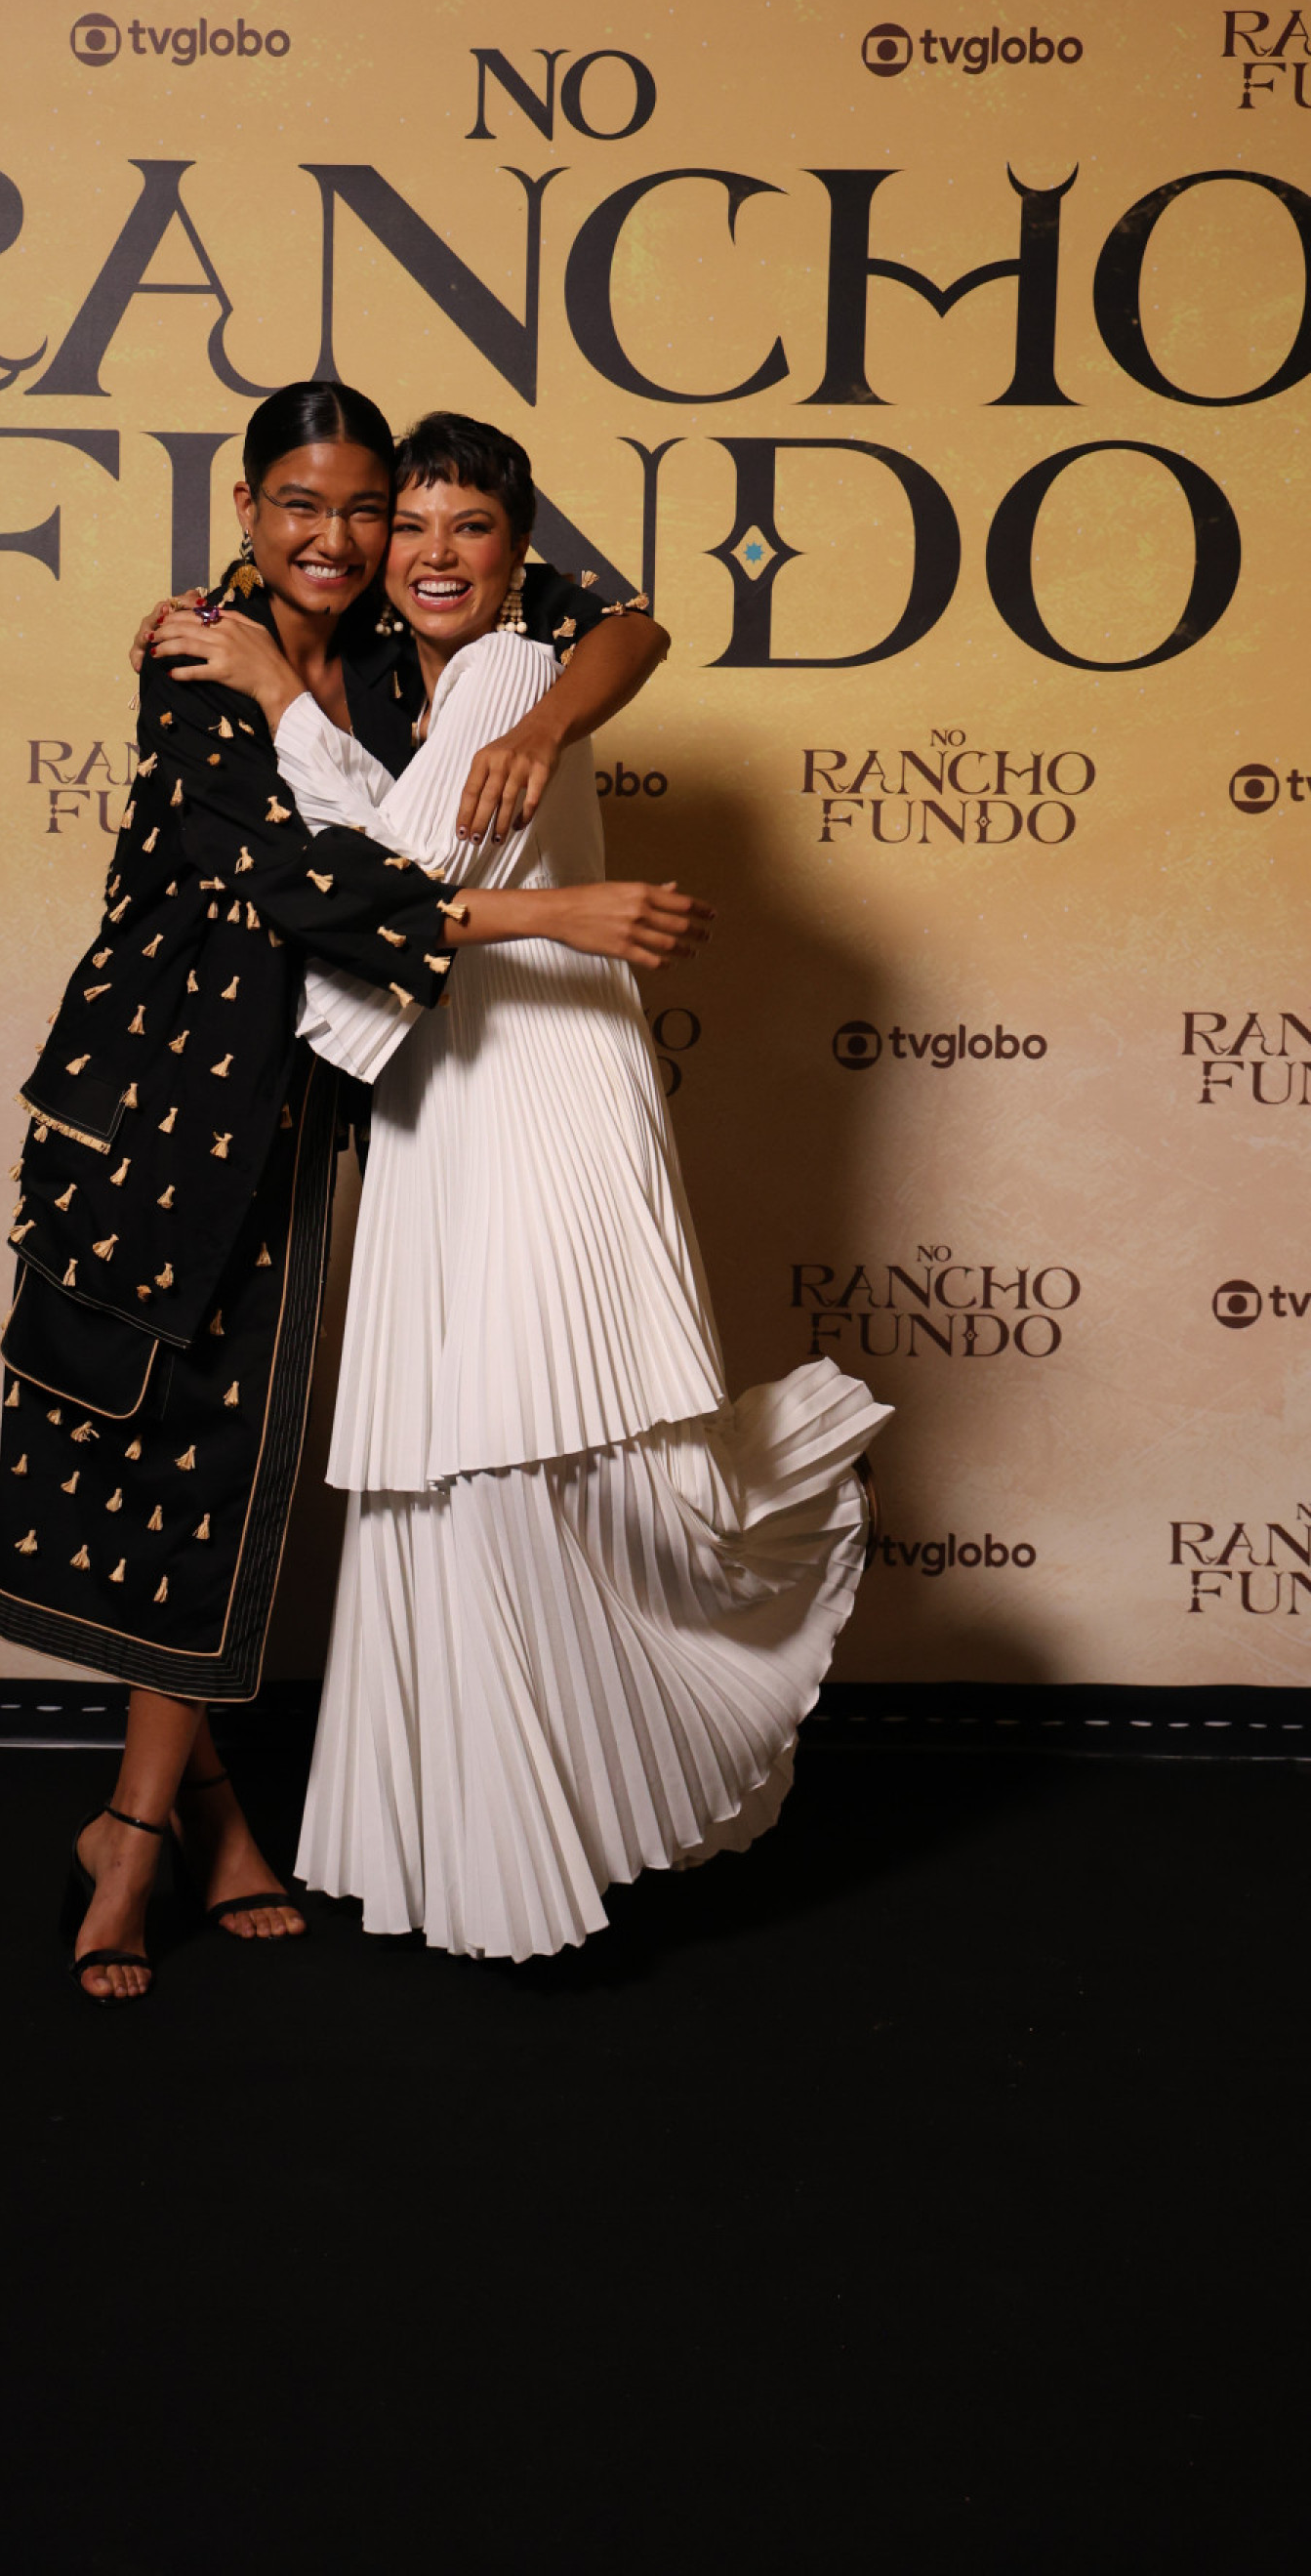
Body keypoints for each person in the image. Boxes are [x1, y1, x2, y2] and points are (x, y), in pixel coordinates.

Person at [0, 383, 697, 2000]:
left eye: (365, 509)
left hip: (302, 1104)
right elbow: (293, 882)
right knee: (173, 1452)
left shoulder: (399, 630)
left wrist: (535, 730)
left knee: (230, 1464)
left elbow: (621, 621)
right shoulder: (193, 652)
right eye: (303, 506)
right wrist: (555, 917)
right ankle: (147, 1829)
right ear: (246, 509)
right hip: (160, 1105)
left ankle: (181, 1816)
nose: (341, 539)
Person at [178, 412, 893, 1962]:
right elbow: (393, 840)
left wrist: (271, 704)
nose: (432, 554)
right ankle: (483, 1854)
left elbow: (399, 887)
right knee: (455, 1464)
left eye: (470, 529)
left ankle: (533, 1842)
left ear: (519, 556)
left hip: (541, 1097)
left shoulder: (508, 673)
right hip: (454, 1098)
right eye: (409, 525)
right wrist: (272, 685)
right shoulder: (427, 687)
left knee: (502, 1457)